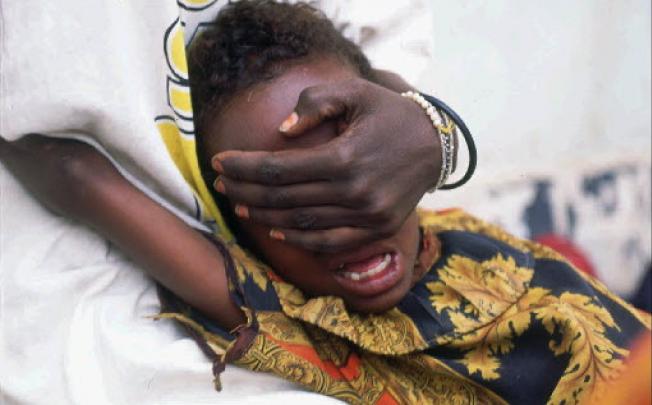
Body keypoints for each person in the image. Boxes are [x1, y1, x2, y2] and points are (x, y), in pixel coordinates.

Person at [1, 1, 649, 404]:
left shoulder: (464, 239)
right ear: (238, 227)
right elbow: (80, 179)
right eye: (293, 205)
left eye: (351, 174)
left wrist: (431, 125)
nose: (345, 227)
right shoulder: (311, 323)